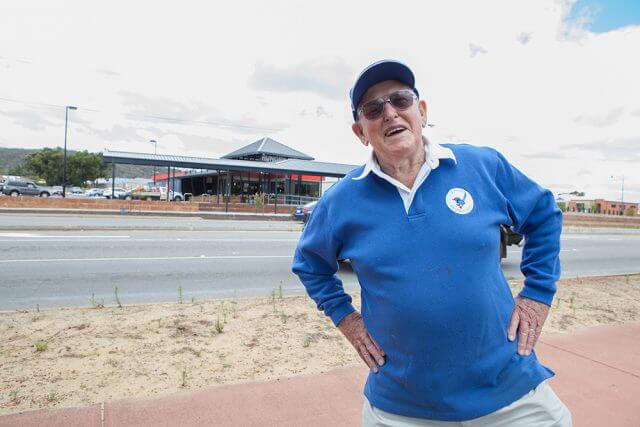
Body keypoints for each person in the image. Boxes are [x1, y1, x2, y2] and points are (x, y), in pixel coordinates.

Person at [292, 59, 572, 426]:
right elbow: (310, 265)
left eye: (401, 100)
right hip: (402, 404)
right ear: (360, 132)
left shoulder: (481, 165)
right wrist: (347, 320)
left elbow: (543, 213)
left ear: (421, 112)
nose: (390, 112)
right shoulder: (341, 201)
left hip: (509, 391)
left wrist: (537, 293)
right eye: (373, 109)